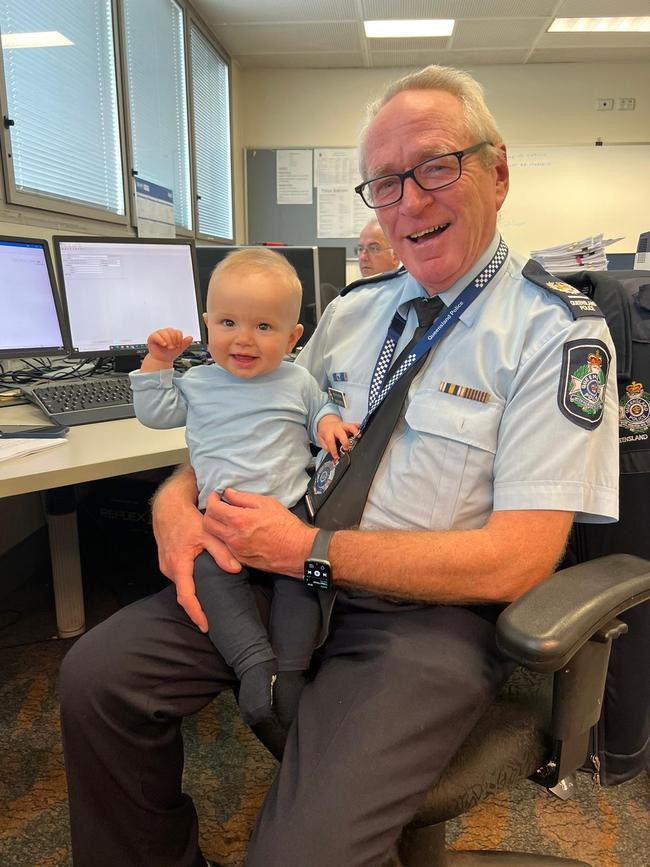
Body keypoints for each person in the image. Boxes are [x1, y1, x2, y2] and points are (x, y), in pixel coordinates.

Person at [59, 64, 619, 867]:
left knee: (299, 855)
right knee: (96, 680)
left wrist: (307, 551)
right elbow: (251, 424)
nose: (409, 203)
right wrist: (174, 502)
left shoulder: (554, 335)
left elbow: (519, 557)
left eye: (435, 166)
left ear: (497, 174)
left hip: (422, 615)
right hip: (278, 572)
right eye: (384, 183)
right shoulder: (354, 313)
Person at [129, 247, 357, 737]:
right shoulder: (197, 383)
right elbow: (155, 414)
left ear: (294, 336)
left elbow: (319, 410)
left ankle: (291, 672)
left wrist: (330, 425)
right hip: (221, 517)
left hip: (288, 511)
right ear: (207, 324)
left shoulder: (296, 380)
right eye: (228, 323)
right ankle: (255, 666)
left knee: (305, 581)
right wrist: (156, 362)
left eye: (264, 327)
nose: (244, 340)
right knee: (211, 577)